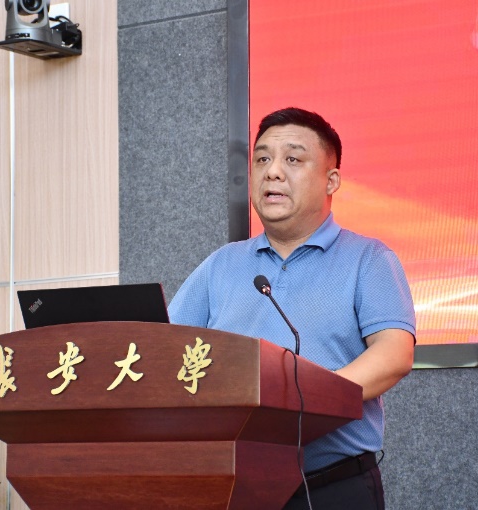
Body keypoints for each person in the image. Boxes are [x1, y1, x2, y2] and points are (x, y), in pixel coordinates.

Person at [168, 107, 416, 509]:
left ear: (331, 180)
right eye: (262, 159)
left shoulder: (368, 259)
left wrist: (304, 406)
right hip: (233, 488)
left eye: (293, 160)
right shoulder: (222, 264)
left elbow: (393, 354)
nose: (273, 172)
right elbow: (166, 347)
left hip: (331, 487)